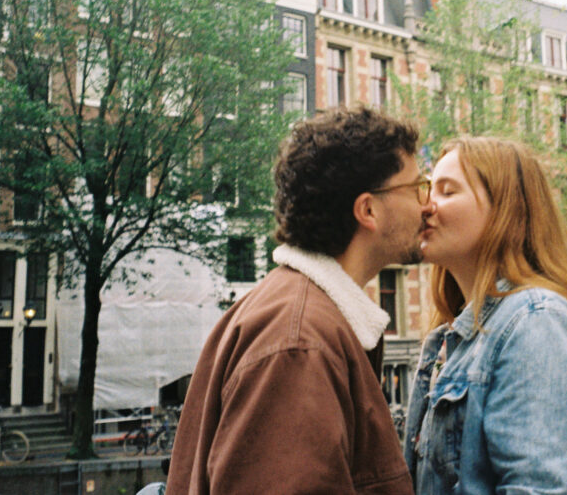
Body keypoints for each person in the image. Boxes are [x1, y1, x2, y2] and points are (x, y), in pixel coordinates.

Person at [166, 107, 424, 494]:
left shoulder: (298, 317)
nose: (427, 204)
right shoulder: (299, 344)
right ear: (368, 210)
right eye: (417, 187)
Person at [404, 136, 567, 494]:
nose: (426, 207)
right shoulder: (450, 337)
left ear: (505, 212)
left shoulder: (538, 324)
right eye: (428, 190)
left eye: (447, 192)